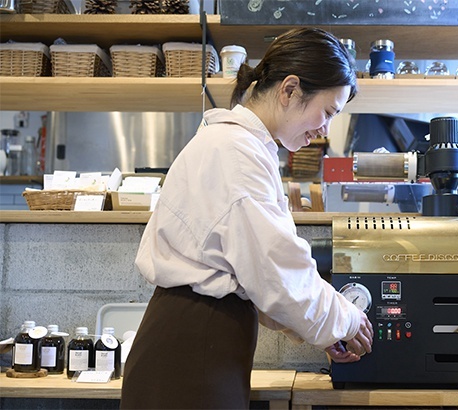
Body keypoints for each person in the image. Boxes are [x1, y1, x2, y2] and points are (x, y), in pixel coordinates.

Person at [120, 27, 374, 409]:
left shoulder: (237, 145)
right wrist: (348, 320)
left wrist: (323, 332)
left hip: (195, 348)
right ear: (289, 89)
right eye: (327, 112)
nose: (324, 130)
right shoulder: (238, 152)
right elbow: (279, 273)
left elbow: (258, 278)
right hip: (193, 353)